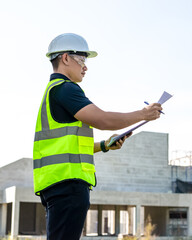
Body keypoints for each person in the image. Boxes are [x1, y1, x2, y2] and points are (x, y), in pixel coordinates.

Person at [33, 33, 162, 240]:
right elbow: (103, 120)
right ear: (65, 58)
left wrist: (104, 145)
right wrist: (143, 114)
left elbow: (69, 145)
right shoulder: (65, 89)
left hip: (56, 185)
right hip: (68, 185)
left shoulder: (52, 92)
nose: (85, 66)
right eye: (82, 59)